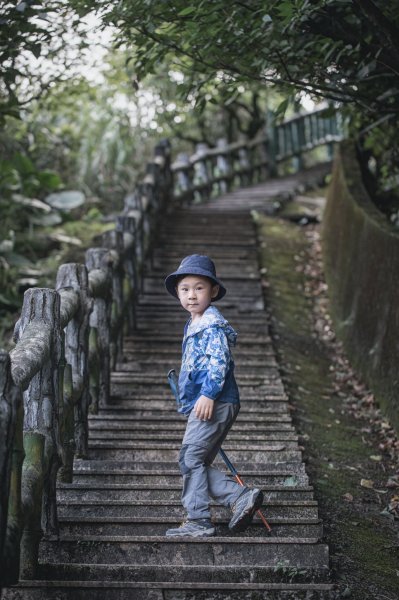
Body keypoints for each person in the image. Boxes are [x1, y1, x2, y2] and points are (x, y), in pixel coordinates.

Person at [164, 254, 263, 537]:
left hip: (216, 400)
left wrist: (207, 394)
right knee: (196, 461)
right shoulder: (196, 323)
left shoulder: (211, 325)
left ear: (213, 291)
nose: (191, 295)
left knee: (190, 459)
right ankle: (239, 497)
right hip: (214, 402)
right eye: (185, 289)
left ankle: (199, 519)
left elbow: (219, 361)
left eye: (199, 288)